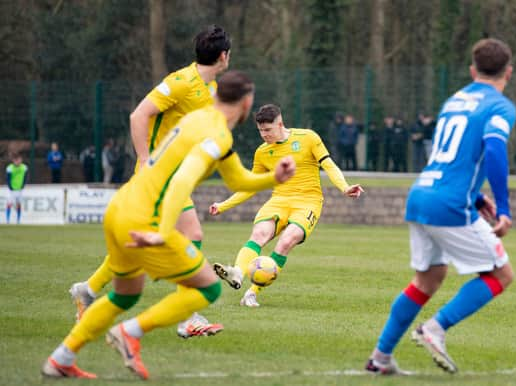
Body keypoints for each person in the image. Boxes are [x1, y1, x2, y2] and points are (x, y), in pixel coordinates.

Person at [41, 71, 296, 380]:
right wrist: (161, 232)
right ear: (247, 103)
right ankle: (130, 332)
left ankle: (61, 358)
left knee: (125, 295)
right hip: (144, 218)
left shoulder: (201, 119)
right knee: (208, 287)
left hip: (122, 207)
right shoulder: (216, 134)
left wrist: (274, 178)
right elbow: (182, 181)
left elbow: (237, 178)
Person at [69, 25, 231, 338]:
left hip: (174, 177)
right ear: (224, 56)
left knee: (138, 247)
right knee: (190, 234)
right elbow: (138, 116)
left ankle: (87, 291)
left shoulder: (210, 89)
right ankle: (187, 315)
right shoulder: (181, 82)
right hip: (156, 177)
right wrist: (144, 160)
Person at [366, 38, 516, 375]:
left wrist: (477, 196)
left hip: (422, 193)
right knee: (501, 274)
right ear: (509, 71)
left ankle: (380, 358)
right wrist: (503, 208)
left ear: (472, 70)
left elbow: (449, 156)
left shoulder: (454, 101)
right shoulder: (500, 105)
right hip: (449, 203)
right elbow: (493, 150)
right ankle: (435, 328)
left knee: (428, 279)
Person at [211, 104, 364, 307]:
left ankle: (252, 293)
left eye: (268, 130)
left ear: (280, 124)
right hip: (278, 201)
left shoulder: (308, 137)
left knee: (286, 241)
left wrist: (344, 187)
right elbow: (250, 186)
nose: (264, 135)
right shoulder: (262, 152)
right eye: (260, 131)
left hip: (308, 202)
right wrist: (223, 205)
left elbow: (328, 164)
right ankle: (237, 273)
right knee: (258, 236)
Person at [5, 154, 28, 224]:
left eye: (20, 160)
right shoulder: (10, 168)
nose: (18, 161)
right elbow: (8, 178)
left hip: (19, 189)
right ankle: (7, 220)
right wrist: (10, 186)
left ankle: (18, 220)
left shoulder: (24, 167)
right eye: (17, 160)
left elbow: (25, 177)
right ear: (14, 160)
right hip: (11, 190)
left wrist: (23, 185)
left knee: (19, 204)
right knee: (9, 203)